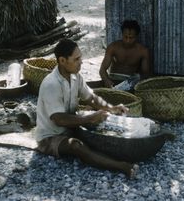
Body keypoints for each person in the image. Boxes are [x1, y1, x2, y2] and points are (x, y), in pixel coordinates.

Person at [35, 38, 138, 179]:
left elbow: (91, 98)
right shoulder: (51, 84)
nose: (81, 62)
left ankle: (121, 156)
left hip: (70, 127)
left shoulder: (76, 76)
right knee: (76, 146)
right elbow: (59, 119)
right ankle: (122, 167)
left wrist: (112, 108)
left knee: (101, 131)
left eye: (80, 58)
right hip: (50, 137)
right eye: (76, 59)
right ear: (62, 61)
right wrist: (89, 118)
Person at [99, 20, 150, 90]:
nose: (128, 40)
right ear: (122, 34)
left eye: (131, 38)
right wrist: (107, 80)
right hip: (113, 79)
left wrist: (136, 82)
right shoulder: (113, 47)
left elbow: (146, 74)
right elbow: (102, 70)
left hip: (131, 82)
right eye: (125, 37)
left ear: (136, 37)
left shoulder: (143, 51)